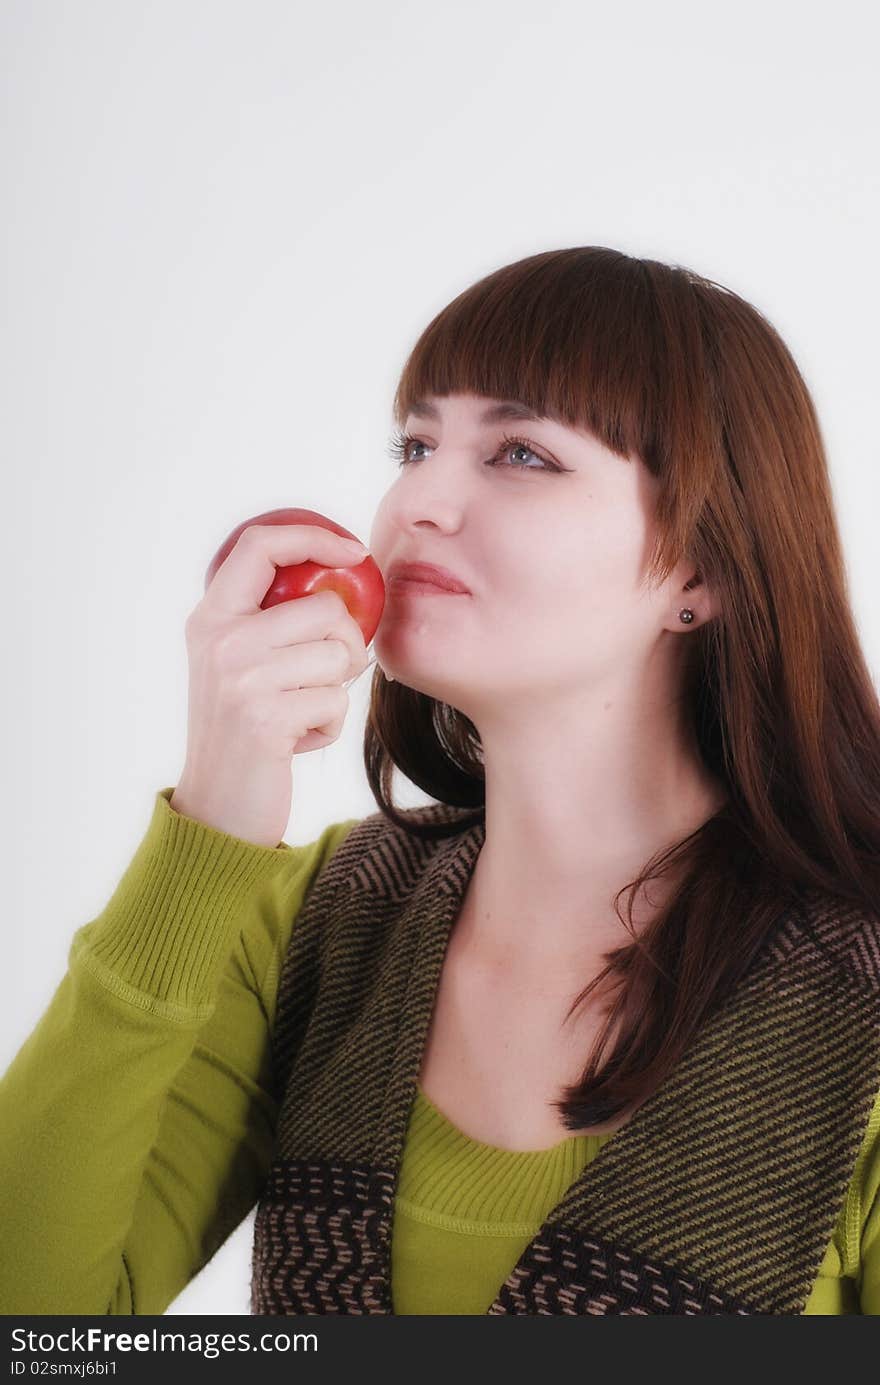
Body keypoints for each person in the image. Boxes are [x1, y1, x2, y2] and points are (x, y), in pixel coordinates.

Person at [1, 246, 878, 1316]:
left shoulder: (860, 996)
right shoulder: (313, 922)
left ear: (698, 571)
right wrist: (212, 821)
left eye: (519, 453)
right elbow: (39, 1326)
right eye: (414, 444)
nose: (419, 499)